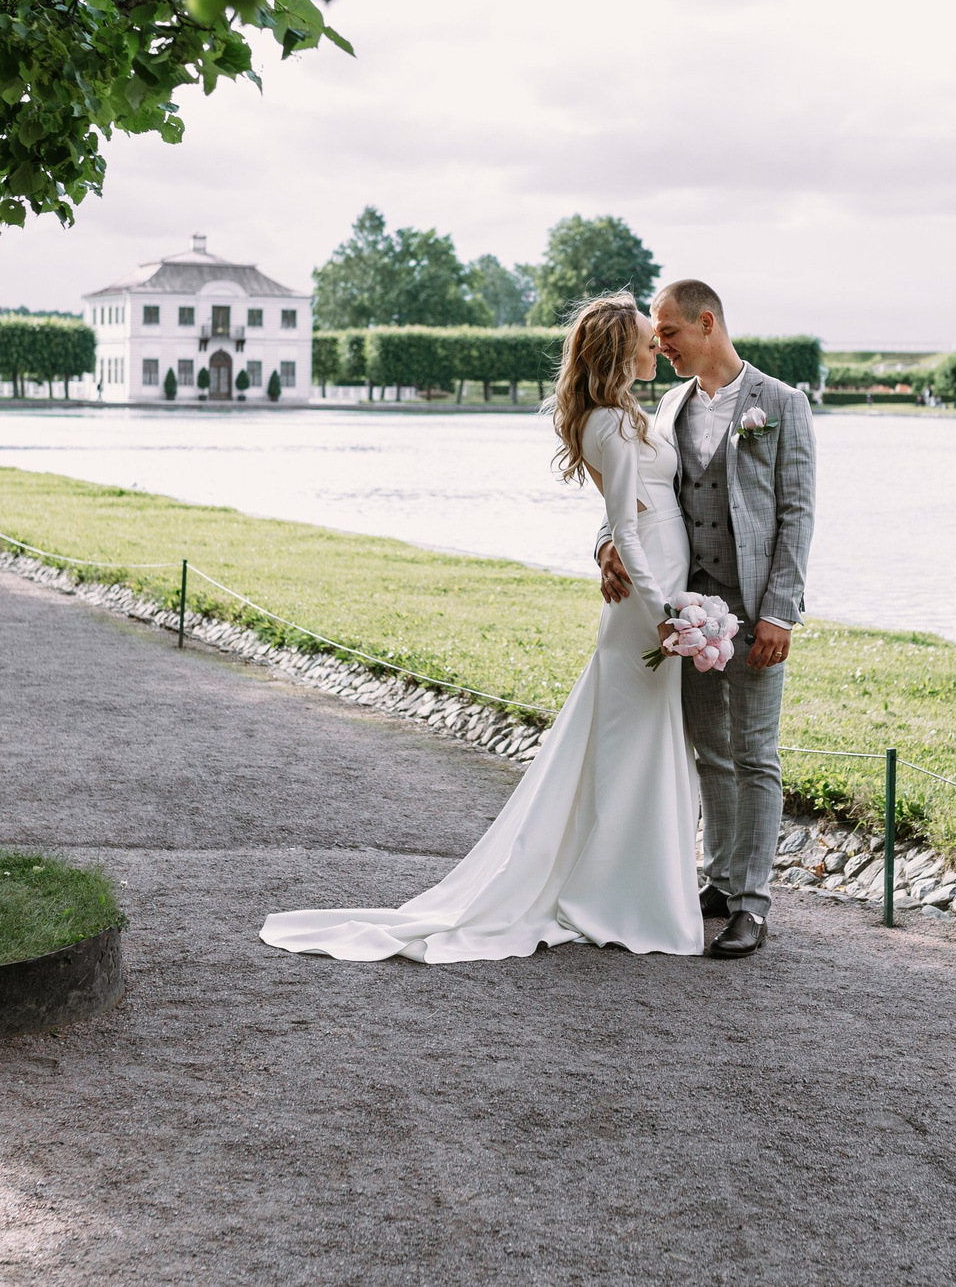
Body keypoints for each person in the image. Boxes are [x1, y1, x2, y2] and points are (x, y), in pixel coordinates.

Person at [260, 295, 705, 964]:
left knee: (642, 739)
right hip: (647, 602)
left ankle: (634, 883)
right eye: (647, 340)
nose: (656, 347)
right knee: (630, 742)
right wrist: (664, 609)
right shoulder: (613, 424)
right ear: (620, 352)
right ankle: (618, 891)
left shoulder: (625, 415)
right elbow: (627, 531)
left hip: (659, 588)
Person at [597, 278, 815, 959]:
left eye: (668, 332)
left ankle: (752, 904)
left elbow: (796, 514)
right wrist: (605, 545)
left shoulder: (782, 403)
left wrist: (780, 611)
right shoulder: (669, 406)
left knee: (756, 755)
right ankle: (720, 881)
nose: (659, 345)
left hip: (754, 611)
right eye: (656, 334)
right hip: (686, 612)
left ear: (708, 323)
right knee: (710, 752)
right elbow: (637, 492)